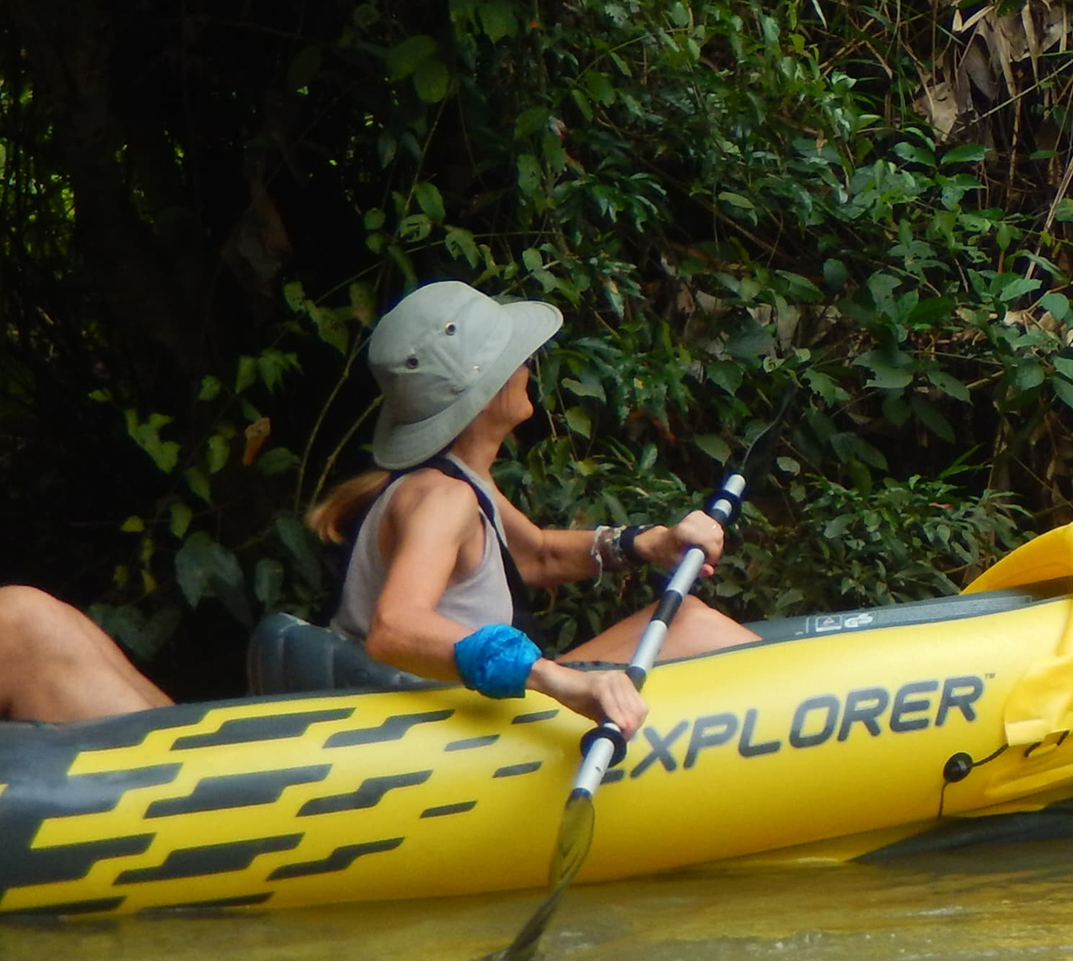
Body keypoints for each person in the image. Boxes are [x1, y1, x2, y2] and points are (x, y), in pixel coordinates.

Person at [1, 280, 758, 727]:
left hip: (439, 709)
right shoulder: (440, 500)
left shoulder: (458, 483)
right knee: (23, 620)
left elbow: (533, 555)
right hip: (422, 729)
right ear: (484, 388)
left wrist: (646, 543)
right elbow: (397, 627)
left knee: (692, 620)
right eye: (515, 357)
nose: (529, 366)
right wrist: (556, 679)